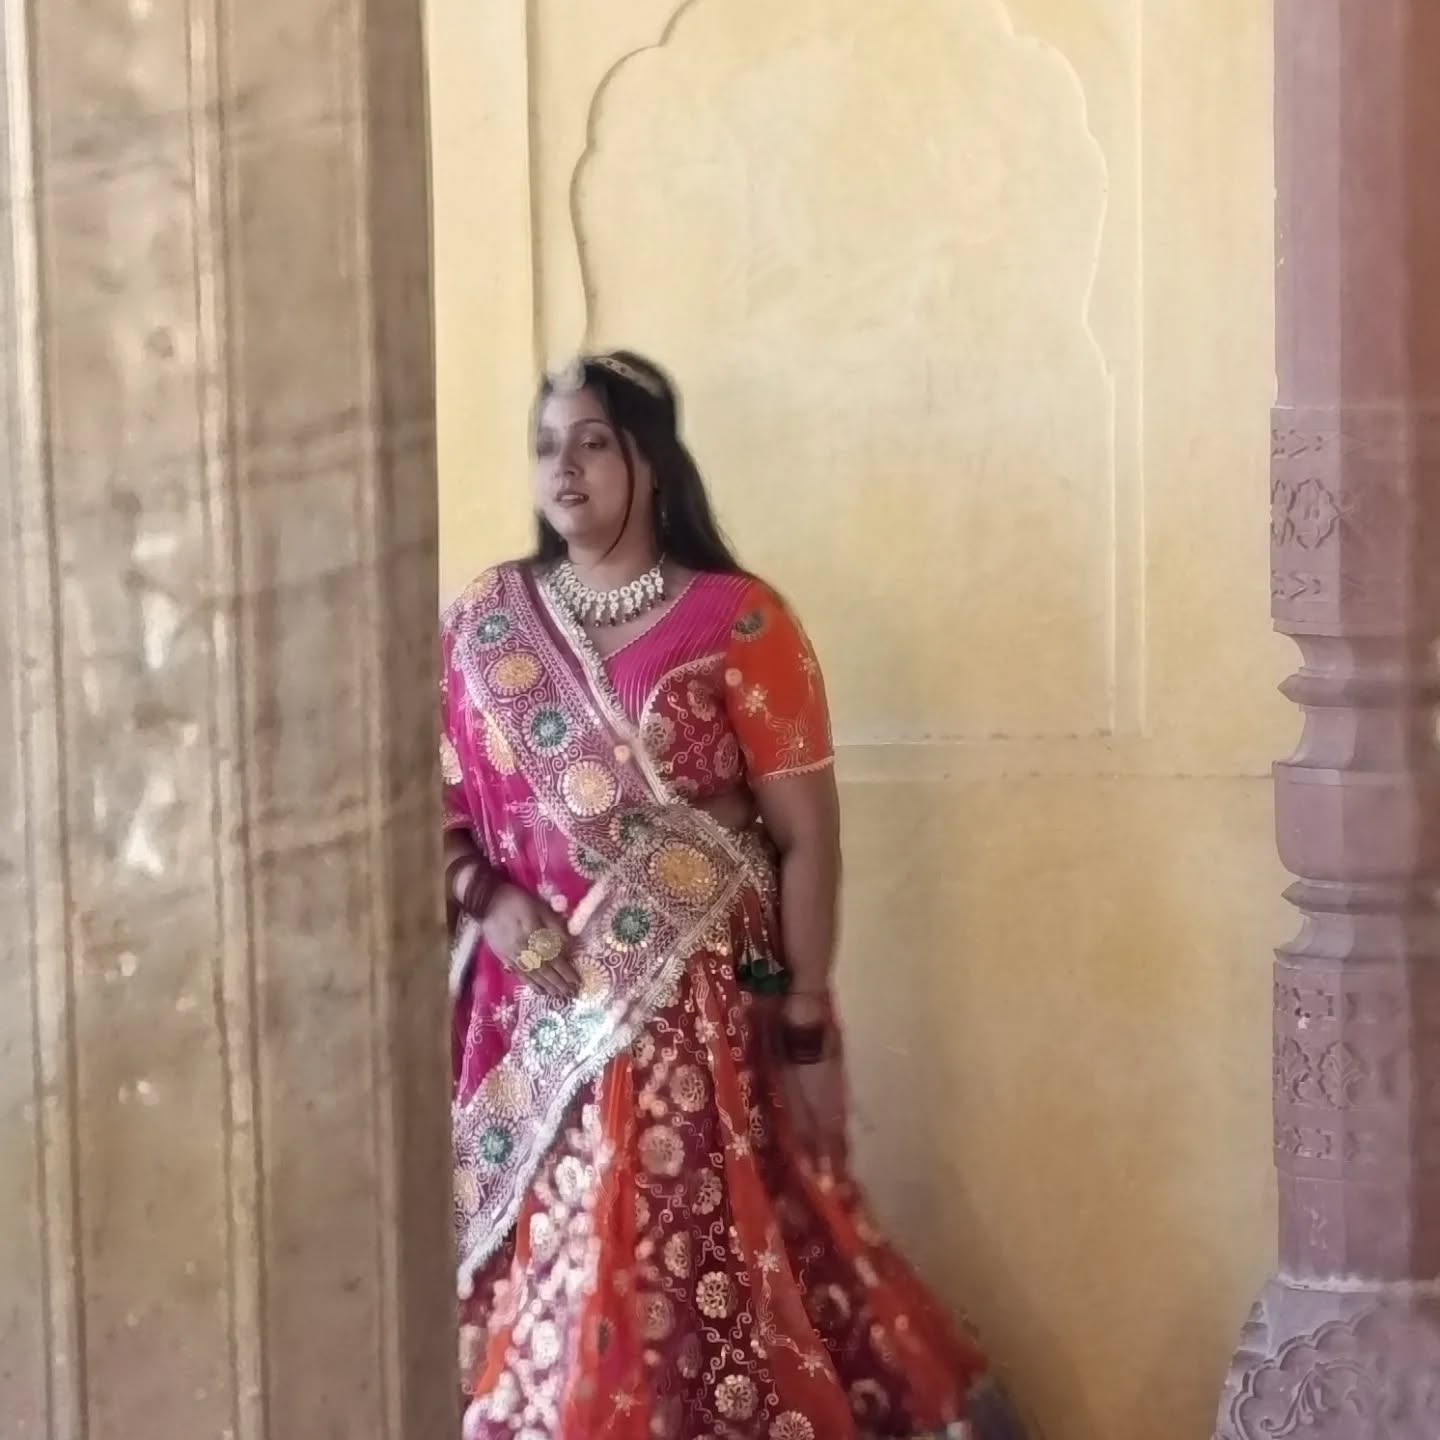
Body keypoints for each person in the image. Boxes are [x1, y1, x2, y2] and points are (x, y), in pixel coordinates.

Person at [441, 351, 1027, 1440]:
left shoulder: (738, 622)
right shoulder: (485, 625)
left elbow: (807, 838)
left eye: (594, 441)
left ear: (652, 462)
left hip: (699, 1028)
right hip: (528, 1028)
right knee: (539, 1297)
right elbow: (426, 812)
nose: (564, 467)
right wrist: (492, 900)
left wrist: (804, 1019)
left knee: (683, 1271)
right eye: (544, 444)